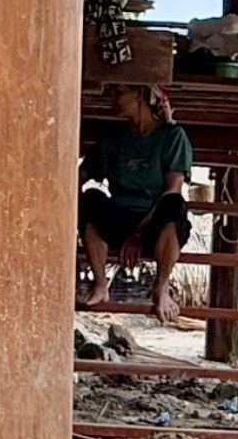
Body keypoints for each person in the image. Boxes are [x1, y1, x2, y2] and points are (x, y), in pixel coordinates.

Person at [80, 84, 194, 323]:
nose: (113, 99)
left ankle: (161, 288)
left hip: (154, 225)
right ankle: (100, 283)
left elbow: (172, 190)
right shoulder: (114, 140)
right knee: (90, 198)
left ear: (140, 95)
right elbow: (81, 176)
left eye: (119, 93)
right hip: (118, 220)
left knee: (174, 204)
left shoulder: (172, 137)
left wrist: (139, 235)